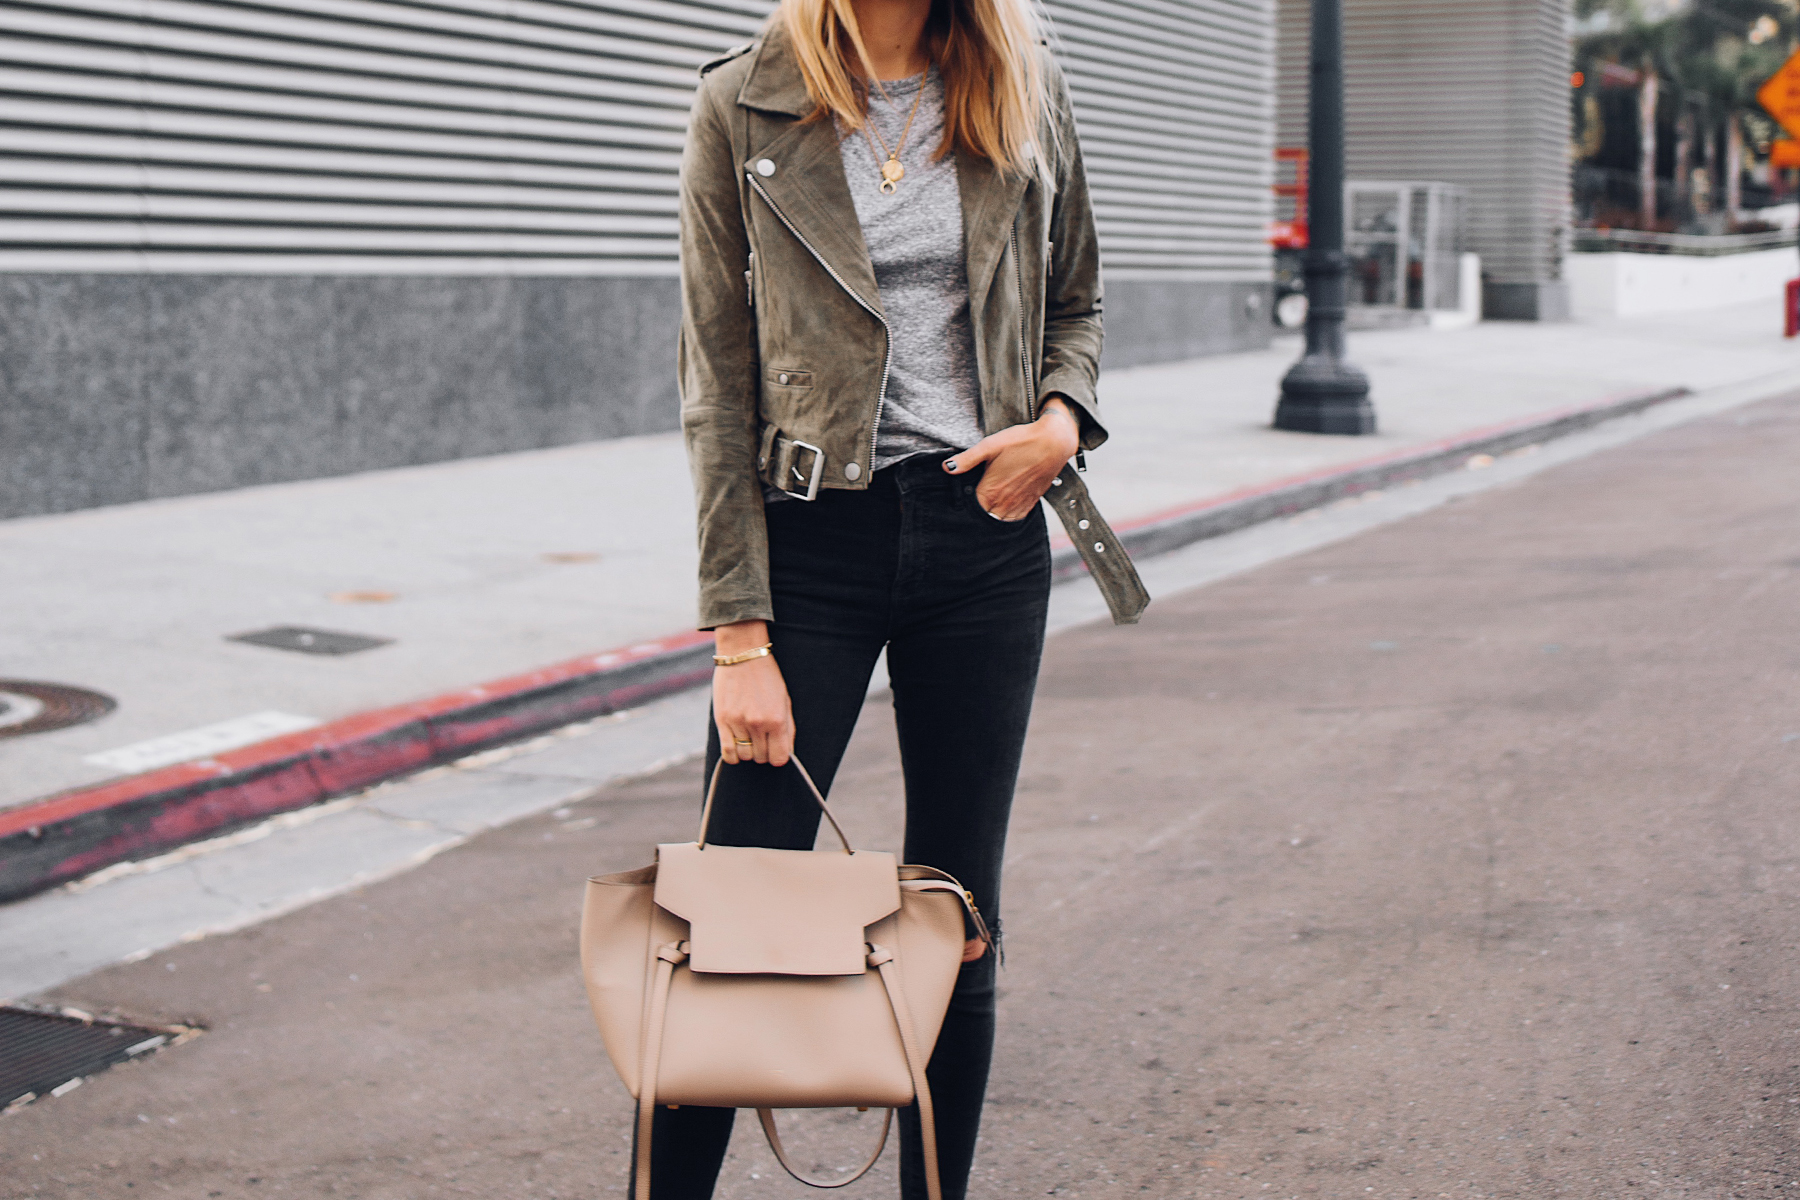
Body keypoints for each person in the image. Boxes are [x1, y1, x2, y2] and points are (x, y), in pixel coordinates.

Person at [660, 0, 1146, 1194]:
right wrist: (738, 637)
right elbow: (716, 378)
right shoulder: (746, 98)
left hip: (983, 533)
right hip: (810, 541)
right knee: (732, 912)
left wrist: (1059, 426)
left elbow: (1075, 298)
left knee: (956, 912)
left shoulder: (1021, 77)